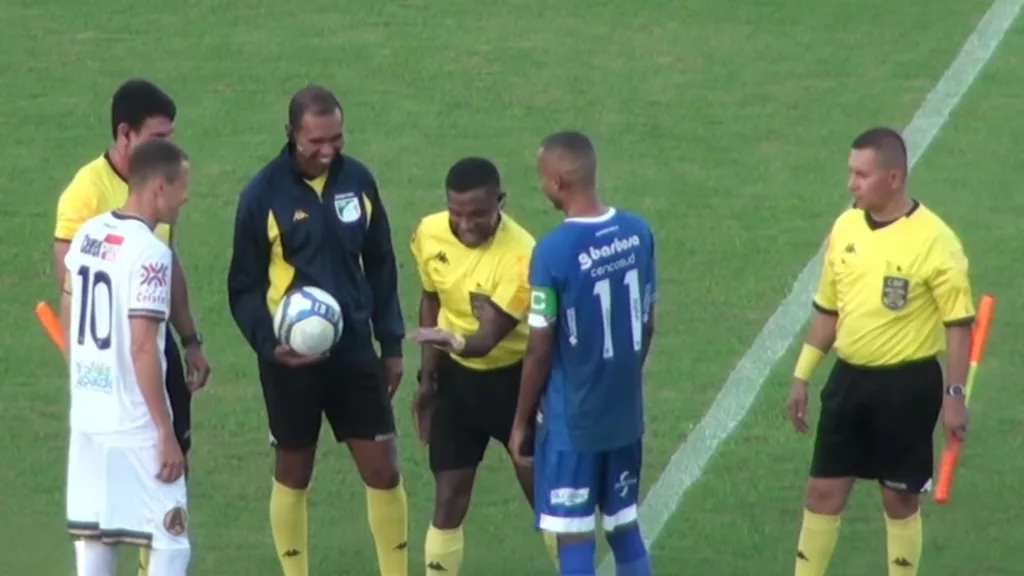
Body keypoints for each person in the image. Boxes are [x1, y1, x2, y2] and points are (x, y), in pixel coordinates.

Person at [227, 84, 408, 576]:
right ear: (291, 135)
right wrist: (270, 345)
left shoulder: (359, 182)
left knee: (384, 470)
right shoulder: (262, 195)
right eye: (315, 142)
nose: (328, 151)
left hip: (353, 354)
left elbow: (381, 264)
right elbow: (242, 287)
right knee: (293, 472)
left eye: (336, 139)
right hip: (290, 363)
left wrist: (391, 344)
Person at [786, 127, 974, 576]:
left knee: (898, 497)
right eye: (851, 173)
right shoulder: (846, 227)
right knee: (822, 492)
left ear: (894, 178)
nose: (851, 183)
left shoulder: (935, 241)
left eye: (861, 174)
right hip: (849, 380)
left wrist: (954, 395)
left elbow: (959, 324)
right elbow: (828, 310)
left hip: (907, 386)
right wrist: (802, 374)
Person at [53, 78, 210, 576]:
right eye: (182, 189)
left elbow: (68, 298)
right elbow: (144, 348)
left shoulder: (91, 235)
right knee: (171, 540)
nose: (185, 200)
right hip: (134, 422)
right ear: (159, 186)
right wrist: (164, 432)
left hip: (90, 418)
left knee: (96, 541)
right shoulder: (149, 254)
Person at [509, 131, 657, 576]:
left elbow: (539, 347)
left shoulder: (551, 252)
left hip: (575, 420)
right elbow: (648, 322)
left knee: (574, 537)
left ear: (556, 181)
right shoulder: (637, 232)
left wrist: (520, 421)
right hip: (625, 413)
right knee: (624, 529)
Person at [408, 157, 559, 574]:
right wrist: (429, 380)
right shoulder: (429, 232)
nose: (466, 224)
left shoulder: (523, 256)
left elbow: (487, 339)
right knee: (449, 497)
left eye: (478, 214)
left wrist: (450, 340)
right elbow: (430, 298)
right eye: (457, 213)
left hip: (517, 385)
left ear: (501, 204)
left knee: (545, 500)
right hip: (457, 385)